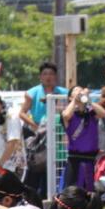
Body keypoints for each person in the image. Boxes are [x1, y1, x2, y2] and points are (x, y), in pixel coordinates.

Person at [18, 62, 68, 196]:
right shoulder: (32, 93)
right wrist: (34, 126)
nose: (48, 77)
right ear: (40, 77)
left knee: (55, 169)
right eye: (45, 74)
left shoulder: (64, 93)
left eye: (51, 74)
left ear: (56, 76)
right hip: (39, 135)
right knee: (37, 168)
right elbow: (22, 113)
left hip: (57, 134)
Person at [60, 86, 105, 192]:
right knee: (72, 192)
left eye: (81, 90)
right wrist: (75, 101)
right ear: (70, 98)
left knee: (89, 192)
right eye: (76, 91)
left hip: (90, 159)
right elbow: (66, 116)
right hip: (75, 159)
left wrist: (88, 100)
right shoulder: (69, 113)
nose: (79, 92)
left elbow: (103, 113)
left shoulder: (91, 113)